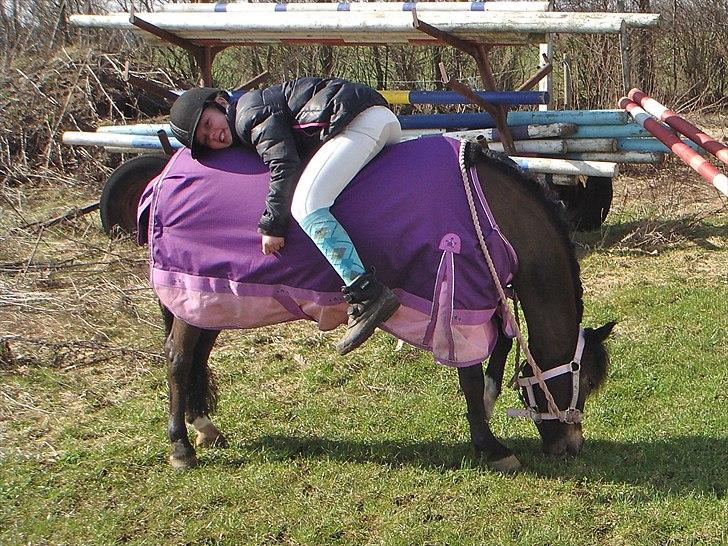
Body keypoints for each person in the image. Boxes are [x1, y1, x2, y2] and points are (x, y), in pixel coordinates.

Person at [169, 77, 402, 355]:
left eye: (209, 124)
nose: (214, 136)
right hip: (373, 119)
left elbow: (283, 163)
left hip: (358, 123)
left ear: (220, 102)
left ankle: (366, 292)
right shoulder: (250, 111)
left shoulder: (248, 114)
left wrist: (273, 225)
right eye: (206, 140)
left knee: (307, 205)